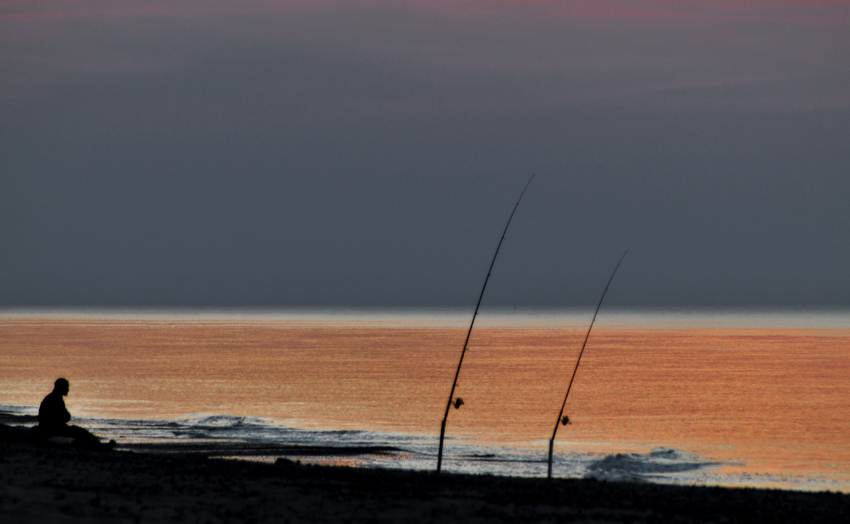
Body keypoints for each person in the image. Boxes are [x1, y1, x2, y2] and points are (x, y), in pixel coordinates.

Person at [32, 378, 115, 450]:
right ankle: (99, 446)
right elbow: (64, 417)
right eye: (67, 387)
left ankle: (98, 445)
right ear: (61, 387)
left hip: (53, 428)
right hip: (54, 429)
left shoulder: (53, 398)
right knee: (81, 432)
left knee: (80, 432)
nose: (68, 389)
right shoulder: (55, 399)